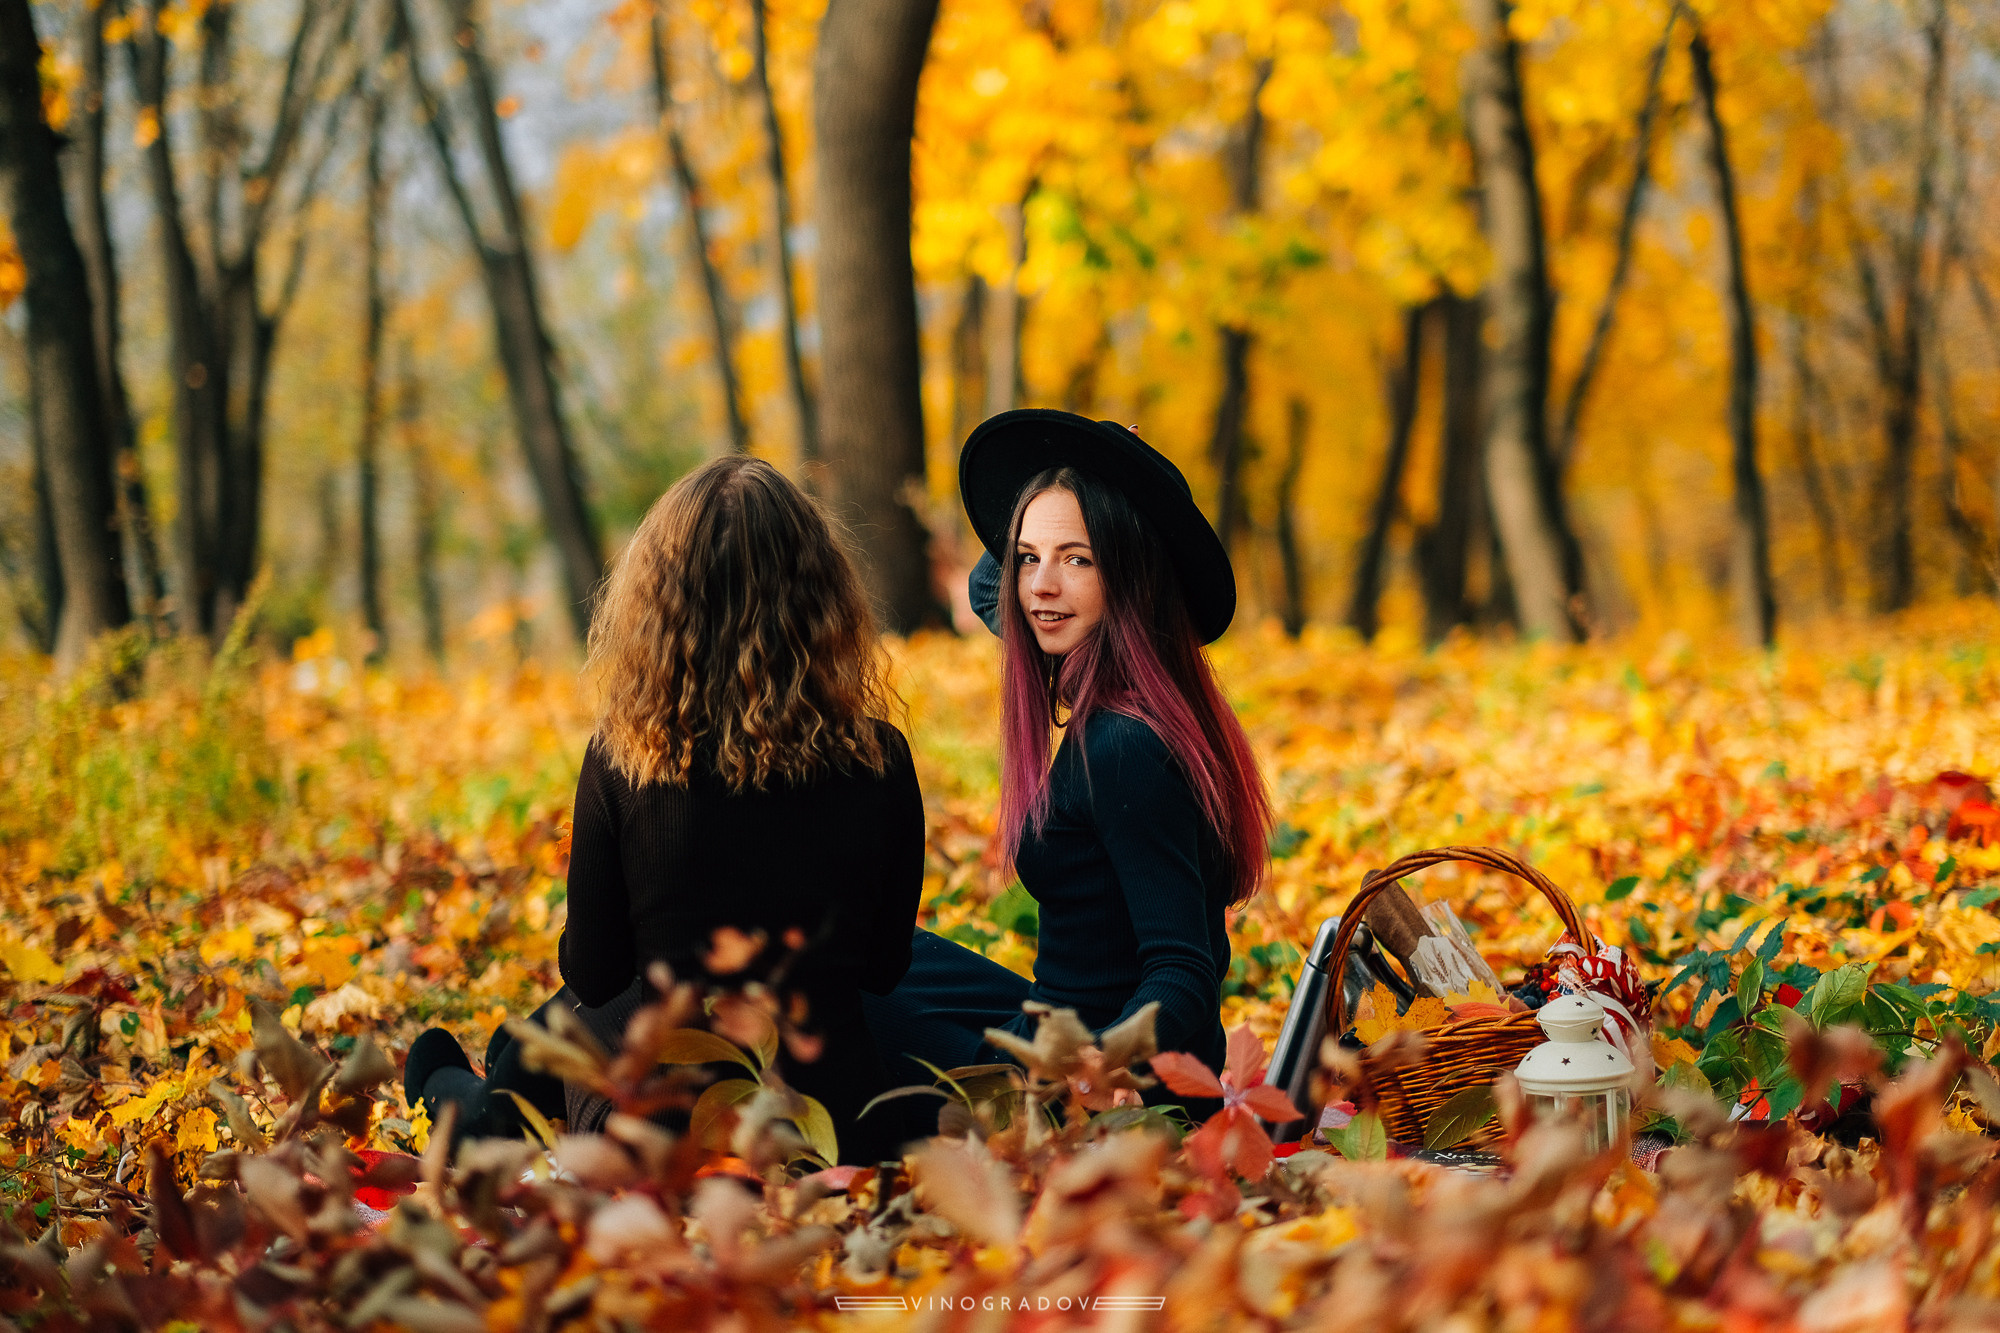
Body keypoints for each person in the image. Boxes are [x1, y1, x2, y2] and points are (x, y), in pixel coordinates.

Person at [404, 456, 926, 1165]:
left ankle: (452, 1091)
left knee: (566, 1030)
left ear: (658, 605)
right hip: (837, 1127)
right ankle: (501, 1070)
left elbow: (593, 973)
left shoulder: (625, 761)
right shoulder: (882, 758)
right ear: (822, 598)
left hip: (660, 1134)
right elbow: (883, 968)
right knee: (573, 1030)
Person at [863, 409, 1271, 1097]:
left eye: (1077, 559)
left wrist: (1100, 1067)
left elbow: (1184, 969)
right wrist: (1087, 469)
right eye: (1030, 557)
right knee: (873, 954)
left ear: (1131, 572)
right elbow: (988, 591)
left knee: (833, 993)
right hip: (1061, 1026)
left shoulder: (1124, 743)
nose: (1040, 587)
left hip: (1091, 1083)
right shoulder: (1129, 705)